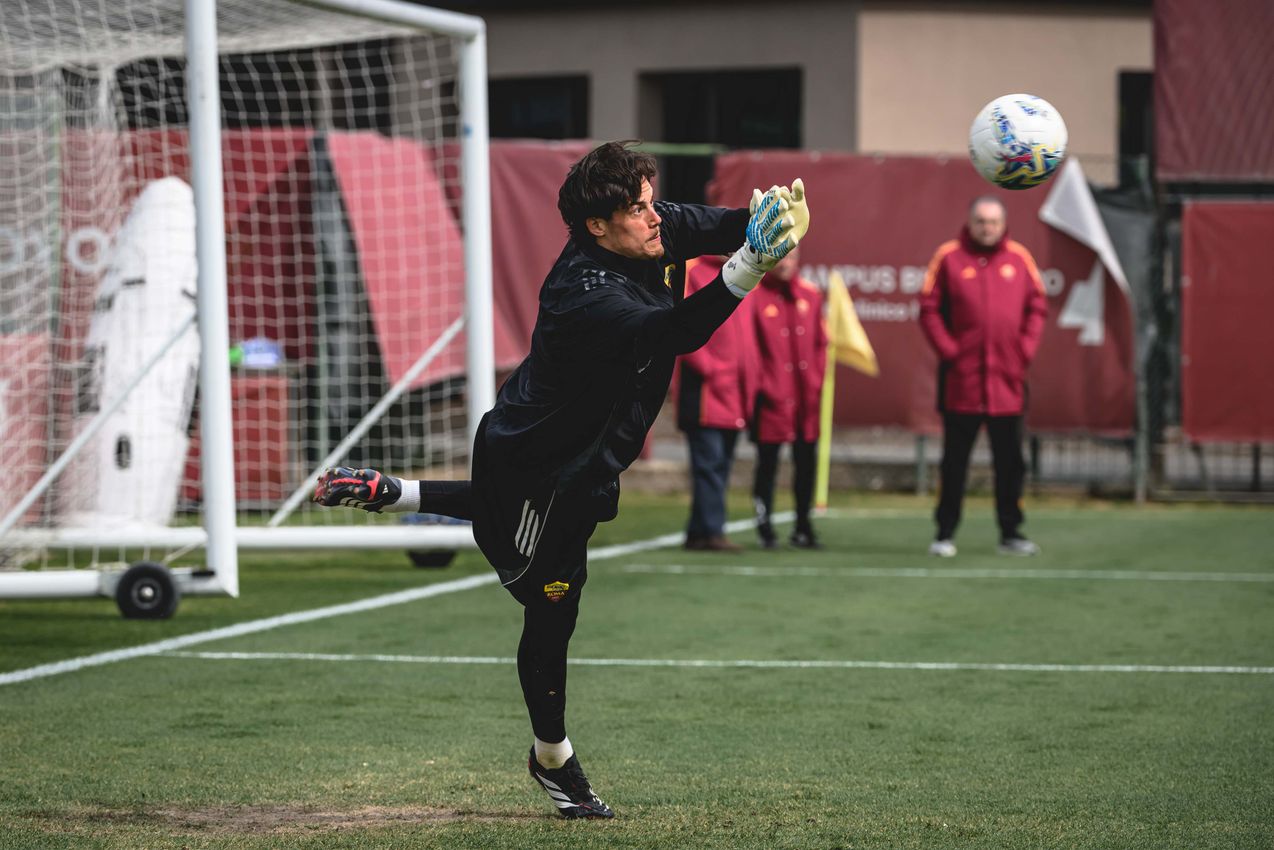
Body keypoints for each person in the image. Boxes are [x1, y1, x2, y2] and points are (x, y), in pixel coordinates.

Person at [312, 141, 810, 819]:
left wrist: (766, 218)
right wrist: (750, 265)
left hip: (583, 462)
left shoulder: (647, 226)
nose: (656, 216)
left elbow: (715, 224)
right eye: (638, 209)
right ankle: (551, 757)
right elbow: (676, 332)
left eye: (651, 200)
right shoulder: (584, 293)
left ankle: (399, 494)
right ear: (598, 226)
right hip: (535, 462)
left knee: (545, 556)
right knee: (551, 610)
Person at [918, 195, 1047, 558]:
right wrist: (951, 351)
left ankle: (1011, 533)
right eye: (981, 221)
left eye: (993, 222)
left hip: (1007, 384)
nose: (987, 228)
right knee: (954, 463)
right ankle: (944, 534)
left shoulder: (1020, 259)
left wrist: (1023, 351)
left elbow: (1038, 306)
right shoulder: (948, 257)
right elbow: (928, 308)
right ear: (970, 223)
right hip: (962, 384)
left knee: (1011, 464)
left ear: (1003, 225)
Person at [746, 247, 828, 549]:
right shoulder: (755, 296)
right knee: (768, 464)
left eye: (791, 257)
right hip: (771, 401)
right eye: (780, 257)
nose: (785, 264)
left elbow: (821, 344)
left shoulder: (811, 294)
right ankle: (765, 527)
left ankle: (803, 526)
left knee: (806, 464)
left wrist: (815, 381)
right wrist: (765, 386)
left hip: (806, 400)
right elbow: (751, 349)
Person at [676, 254, 752, 552]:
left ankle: (699, 531)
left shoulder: (745, 268)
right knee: (709, 463)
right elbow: (680, 324)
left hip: (733, 391)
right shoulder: (691, 270)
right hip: (705, 392)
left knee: (720, 464)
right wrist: (711, 369)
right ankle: (712, 530)